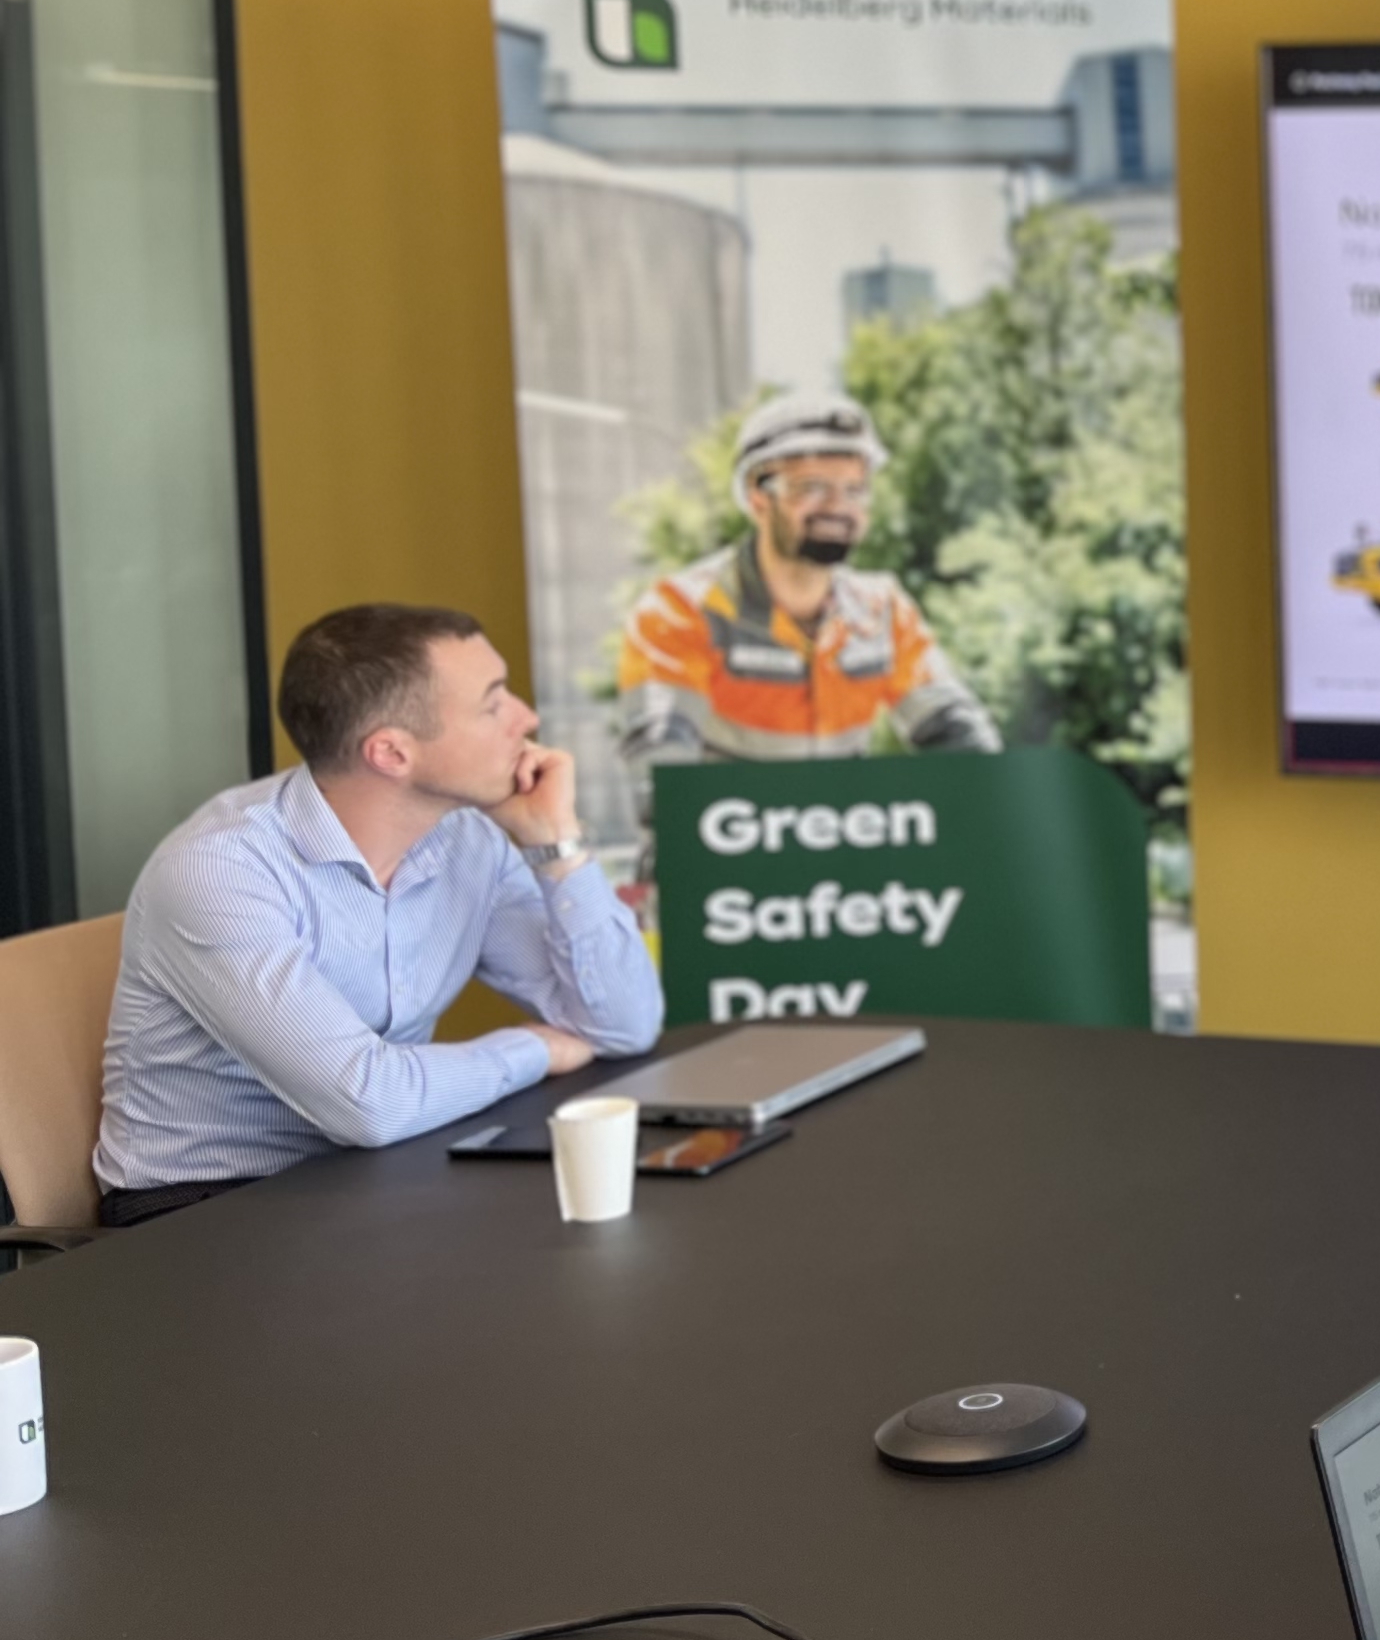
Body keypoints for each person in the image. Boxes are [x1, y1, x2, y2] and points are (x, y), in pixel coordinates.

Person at [95, 604, 667, 1222]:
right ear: (391, 753)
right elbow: (370, 1102)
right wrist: (533, 1049)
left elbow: (625, 1025)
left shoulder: (468, 841)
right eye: (493, 703)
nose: (527, 718)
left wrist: (558, 849)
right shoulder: (219, 871)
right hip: (207, 1209)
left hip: (377, 1173)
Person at [614, 391, 1001, 794]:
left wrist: (989, 802)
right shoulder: (680, 611)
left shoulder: (883, 610)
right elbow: (660, 771)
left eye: (856, 490)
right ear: (758, 495)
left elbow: (957, 732)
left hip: (843, 847)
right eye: (813, 487)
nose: (839, 506)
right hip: (725, 847)